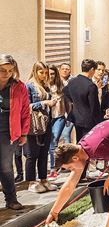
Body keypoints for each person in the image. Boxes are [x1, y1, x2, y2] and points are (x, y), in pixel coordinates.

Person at [0, 54, 29, 210]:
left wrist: (24, 133)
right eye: (3, 70)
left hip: (7, 133)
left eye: (10, 70)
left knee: (5, 166)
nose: (7, 74)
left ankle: (11, 199)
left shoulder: (19, 86)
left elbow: (25, 111)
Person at [25, 62, 58, 194]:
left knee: (44, 153)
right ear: (35, 72)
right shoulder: (29, 85)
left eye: (46, 73)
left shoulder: (45, 85)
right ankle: (32, 181)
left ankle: (44, 179)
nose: (44, 75)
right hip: (34, 124)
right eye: (41, 73)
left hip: (46, 122)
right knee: (32, 154)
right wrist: (44, 103)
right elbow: (27, 106)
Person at [63, 59, 102, 142]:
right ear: (92, 69)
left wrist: (73, 100)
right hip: (89, 120)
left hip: (76, 118)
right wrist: (99, 122)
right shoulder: (91, 86)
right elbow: (94, 106)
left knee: (79, 141)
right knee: (89, 142)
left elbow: (65, 91)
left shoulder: (72, 81)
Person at [47, 65, 66, 179]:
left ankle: (53, 168)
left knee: (54, 141)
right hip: (47, 118)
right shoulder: (44, 87)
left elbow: (68, 101)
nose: (51, 76)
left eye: (53, 74)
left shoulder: (61, 85)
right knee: (48, 143)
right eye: (49, 73)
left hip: (59, 116)